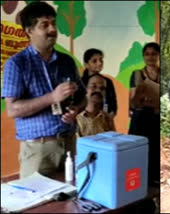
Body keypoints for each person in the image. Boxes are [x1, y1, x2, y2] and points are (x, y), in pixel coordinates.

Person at [2, 2, 87, 178]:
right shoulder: (17, 64)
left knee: (71, 200)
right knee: (38, 204)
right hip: (38, 151)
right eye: (44, 25)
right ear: (29, 30)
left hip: (70, 144)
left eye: (54, 23)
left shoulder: (66, 61)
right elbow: (12, 110)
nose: (52, 29)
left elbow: (83, 98)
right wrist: (52, 97)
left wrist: (76, 110)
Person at [129, 42, 160, 187]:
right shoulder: (137, 74)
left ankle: (154, 181)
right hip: (141, 118)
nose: (150, 57)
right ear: (143, 56)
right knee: (138, 150)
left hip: (156, 117)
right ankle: (136, 180)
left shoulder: (161, 73)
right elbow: (133, 100)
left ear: (158, 55)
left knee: (154, 151)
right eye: (147, 54)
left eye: (153, 53)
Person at [81, 48, 117, 117]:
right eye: (94, 61)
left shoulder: (107, 81)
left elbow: (112, 103)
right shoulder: (80, 82)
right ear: (86, 64)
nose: (99, 63)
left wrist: (108, 118)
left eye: (101, 60)